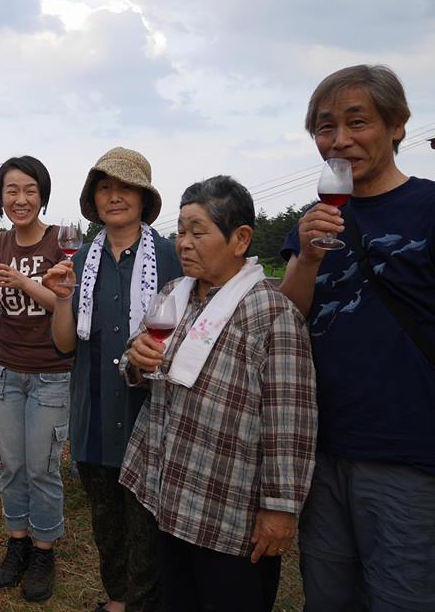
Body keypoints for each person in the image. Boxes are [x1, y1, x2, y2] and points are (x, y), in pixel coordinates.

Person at [120, 176, 317, 612]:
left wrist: (280, 508)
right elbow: (135, 358)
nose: (184, 243)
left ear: (240, 239)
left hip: (229, 508)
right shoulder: (174, 294)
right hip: (169, 494)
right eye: (180, 231)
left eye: (198, 231)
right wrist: (135, 358)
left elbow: (291, 421)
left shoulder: (271, 313)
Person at [280, 65, 435, 612]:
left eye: (357, 122)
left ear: (397, 125)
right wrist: (306, 256)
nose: (340, 140)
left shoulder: (428, 208)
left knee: (400, 597)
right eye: (326, 127)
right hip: (322, 446)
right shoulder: (314, 220)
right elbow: (288, 317)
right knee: (327, 594)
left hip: (408, 453)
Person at [42, 148, 181, 612]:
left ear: (144, 198)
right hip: (95, 416)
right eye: (105, 187)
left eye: (126, 187)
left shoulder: (171, 256)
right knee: (107, 526)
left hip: (152, 418)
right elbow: (65, 344)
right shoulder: (79, 259)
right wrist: (63, 298)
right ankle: (119, 600)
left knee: (149, 531)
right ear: (93, 198)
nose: (114, 196)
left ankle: (143, 602)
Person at [0, 156, 72, 603]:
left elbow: (67, 305)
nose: (21, 199)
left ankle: (44, 549)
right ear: (1, 198)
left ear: (42, 195)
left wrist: (25, 282)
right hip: (5, 370)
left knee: (42, 467)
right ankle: (18, 543)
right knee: (11, 465)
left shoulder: (60, 243)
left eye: (30, 190)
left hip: (52, 374)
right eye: (11, 191)